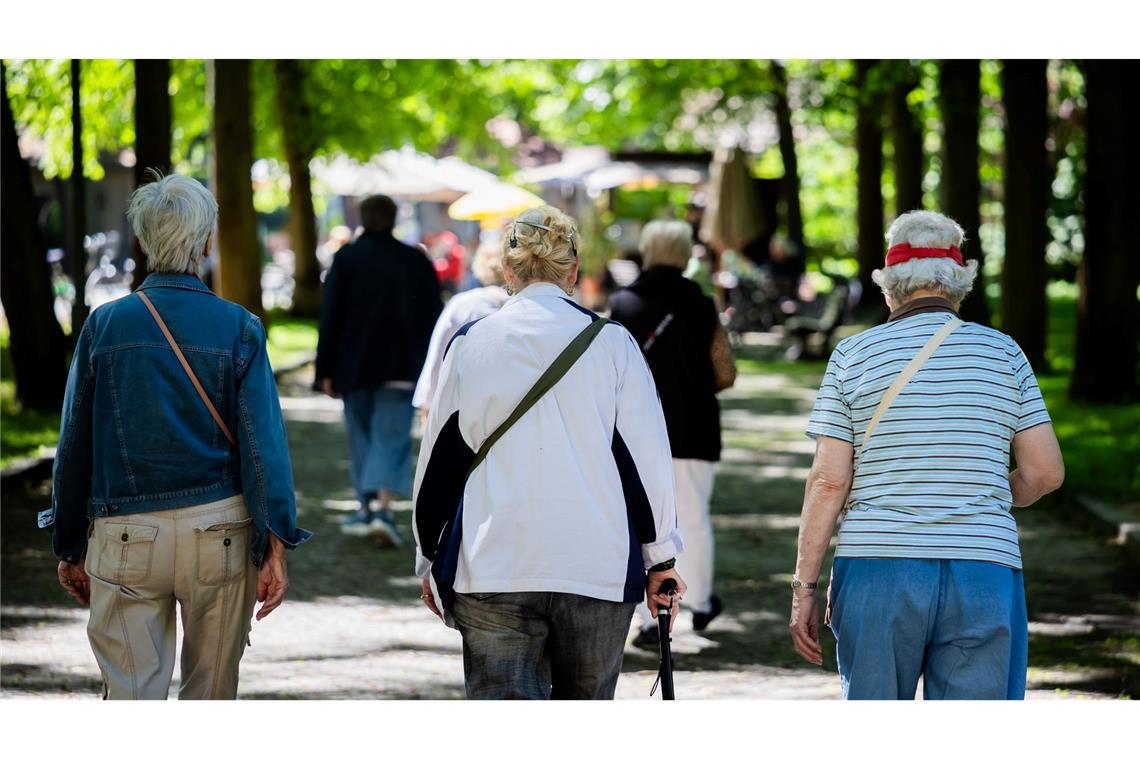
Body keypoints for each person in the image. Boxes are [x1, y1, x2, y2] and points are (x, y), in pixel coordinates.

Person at [45, 172, 311, 700]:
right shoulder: (240, 328)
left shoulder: (104, 327)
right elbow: (263, 451)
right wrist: (274, 541)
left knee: (131, 699)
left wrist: (70, 542)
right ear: (208, 241)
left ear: (141, 242)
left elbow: (73, 444)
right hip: (220, 532)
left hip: (125, 534)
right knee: (210, 697)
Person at [412, 205, 686, 700]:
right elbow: (646, 462)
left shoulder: (471, 344)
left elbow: (440, 459)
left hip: (492, 559)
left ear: (508, 270)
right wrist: (660, 556)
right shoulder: (614, 346)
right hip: (596, 562)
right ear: (574, 271)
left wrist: (427, 553)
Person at [789, 210, 1065, 700]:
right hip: (983, 565)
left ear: (888, 286)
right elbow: (1045, 472)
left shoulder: (853, 357)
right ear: (960, 284)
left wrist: (805, 588)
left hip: (878, 565)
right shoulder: (1004, 354)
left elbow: (829, 482)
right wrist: (992, 498)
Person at [608, 220, 737, 649]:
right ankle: (700, 601)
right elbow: (725, 370)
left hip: (633, 434)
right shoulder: (701, 303)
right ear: (684, 254)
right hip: (694, 426)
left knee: (640, 524)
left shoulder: (623, 304)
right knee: (693, 516)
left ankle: (649, 620)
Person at [316, 194, 443, 545]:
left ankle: (367, 506)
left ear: (363, 217)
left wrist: (324, 369)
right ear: (393, 219)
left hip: (353, 365)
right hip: (402, 365)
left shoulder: (347, 258)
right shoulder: (415, 261)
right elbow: (433, 316)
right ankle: (383, 509)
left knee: (361, 436)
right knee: (391, 436)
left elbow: (330, 318)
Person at [412, 242, 510, 418]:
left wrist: (427, 405)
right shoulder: (525, 305)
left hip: (463, 408)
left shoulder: (461, 304)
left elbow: (437, 360)